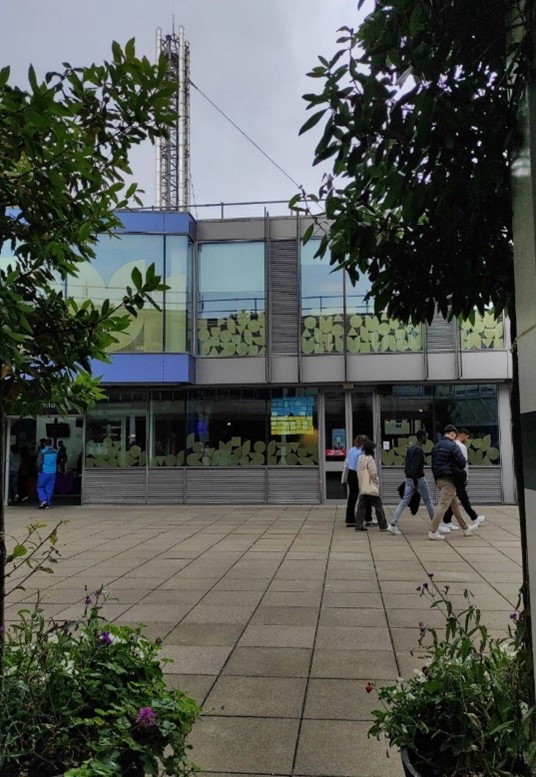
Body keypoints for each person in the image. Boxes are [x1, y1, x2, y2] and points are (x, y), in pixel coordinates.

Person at [428, 425, 478, 541]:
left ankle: (465, 528)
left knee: (455, 505)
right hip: (449, 479)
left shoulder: (436, 446)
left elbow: (433, 464)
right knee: (442, 506)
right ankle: (433, 531)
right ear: (452, 434)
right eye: (454, 435)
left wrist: (436, 479)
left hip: (439, 478)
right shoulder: (453, 445)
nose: (455, 438)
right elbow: (462, 463)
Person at [387, 430, 435, 535]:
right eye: (426, 436)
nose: (427, 438)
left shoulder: (410, 448)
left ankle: (393, 524)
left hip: (409, 479)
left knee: (404, 501)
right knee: (428, 501)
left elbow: (407, 465)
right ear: (422, 437)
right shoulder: (418, 450)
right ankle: (435, 525)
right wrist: (416, 482)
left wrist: (410, 479)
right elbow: (415, 467)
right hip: (418, 479)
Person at [440, 428, 486, 533]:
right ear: (463, 435)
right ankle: (473, 518)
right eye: (467, 437)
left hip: (451, 475)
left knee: (453, 499)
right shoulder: (461, 447)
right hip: (459, 477)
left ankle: (447, 520)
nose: (467, 440)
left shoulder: (451, 445)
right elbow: (463, 464)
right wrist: (465, 477)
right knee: (462, 498)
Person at [355, 440, 388, 531]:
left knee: (361, 506)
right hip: (370, 485)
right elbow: (373, 473)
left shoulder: (360, 458)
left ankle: (358, 525)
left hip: (363, 485)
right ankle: (383, 525)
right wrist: (376, 482)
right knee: (378, 505)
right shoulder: (370, 459)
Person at [344, 434, 371, 526]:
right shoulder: (362, 452)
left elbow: (347, 462)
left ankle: (350, 518)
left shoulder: (351, 450)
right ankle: (367, 517)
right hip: (359, 474)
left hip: (351, 474)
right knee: (366, 496)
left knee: (352, 497)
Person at [36, 438, 58, 509]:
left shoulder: (42, 451)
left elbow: (39, 463)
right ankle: (47, 504)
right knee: (49, 488)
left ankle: (43, 501)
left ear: (44, 444)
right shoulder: (55, 451)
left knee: (40, 486)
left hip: (44, 471)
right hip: (53, 472)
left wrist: (39, 471)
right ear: (51, 444)